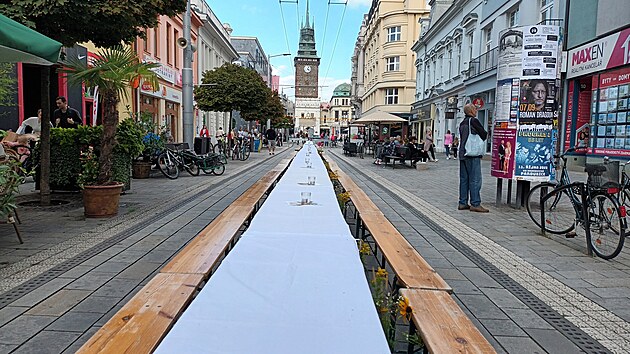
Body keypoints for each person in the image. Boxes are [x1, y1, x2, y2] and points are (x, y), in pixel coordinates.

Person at [458, 103, 489, 213]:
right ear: (471, 111)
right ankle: (475, 203)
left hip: (463, 153)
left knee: (464, 179)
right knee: (475, 179)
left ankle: (462, 202)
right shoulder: (474, 121)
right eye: (475, 109)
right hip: (472, 154)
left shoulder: (462, 123)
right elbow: (484, 134)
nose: (476, 110)